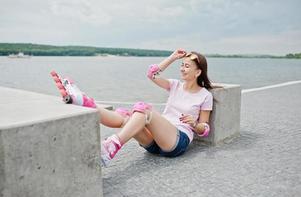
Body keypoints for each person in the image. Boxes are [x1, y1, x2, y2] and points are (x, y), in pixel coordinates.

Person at [51, 49, 213, 167]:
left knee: (144, 111)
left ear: (198, 72)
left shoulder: (205, 95)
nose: (182, 68)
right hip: (154, 143)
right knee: (126, 117)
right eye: (182, 65)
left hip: (176, 142)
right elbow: (151, 74)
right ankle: (84, 102)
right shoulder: (175, 85)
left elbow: (204, 129)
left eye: (186, 66)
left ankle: (112, 146)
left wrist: (194, 124)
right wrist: (171, 58)